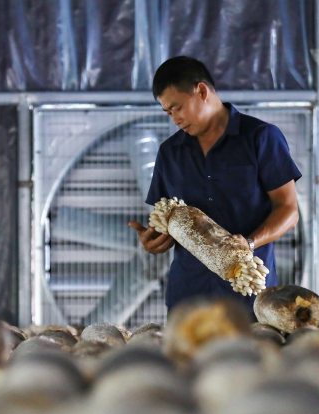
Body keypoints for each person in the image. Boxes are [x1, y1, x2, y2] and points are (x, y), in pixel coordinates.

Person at [128, 56, 301, 313]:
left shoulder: (261, 137)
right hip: (187, 297)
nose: (174, 119)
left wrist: (250, 243)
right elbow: (167, 219)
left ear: (201, 90)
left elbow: (288, 210)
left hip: (248, 296)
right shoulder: (169, 152)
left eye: (177, 107)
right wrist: (152, 241)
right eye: (168, 112)